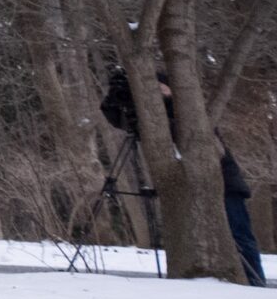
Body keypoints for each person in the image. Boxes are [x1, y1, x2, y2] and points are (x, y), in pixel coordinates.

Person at [102, 69, 267, 286]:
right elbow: (113, 115)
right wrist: (117, 93)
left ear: (172, 89)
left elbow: (185, 137)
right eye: (155, 90)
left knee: (238, 235)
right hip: (189, 188)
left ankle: (256, 282)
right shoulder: (149, 117)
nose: (159, 94)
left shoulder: (190, 114)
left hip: (224, 184)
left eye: (162, 88)